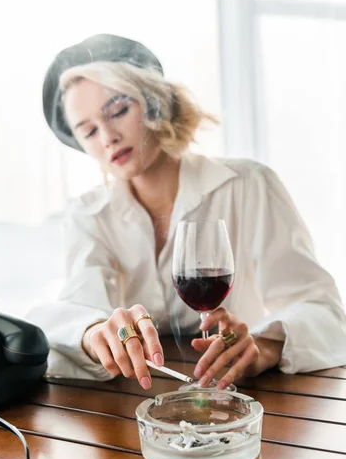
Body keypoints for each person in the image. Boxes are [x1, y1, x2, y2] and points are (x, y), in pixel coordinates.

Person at [26, 33, 346, 391]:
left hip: (247, 399)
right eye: (87, 131)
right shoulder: (88, 214)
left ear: (155, 103)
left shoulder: (249, 185)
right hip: (143, 405)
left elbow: (327, 314)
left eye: (117, 111)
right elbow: (67, 317)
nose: (107, 137)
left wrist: (264, 346)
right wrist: (92, 333)